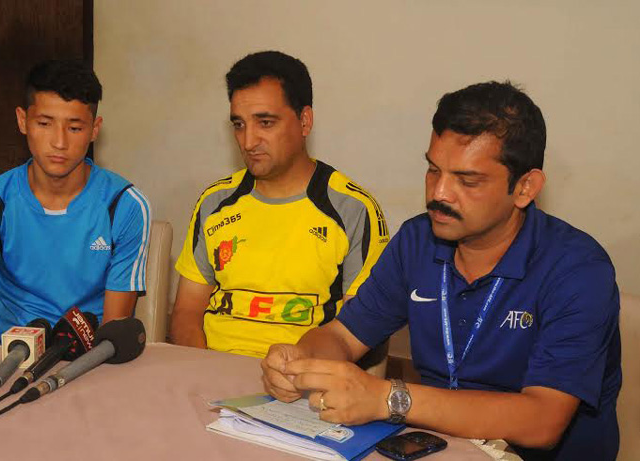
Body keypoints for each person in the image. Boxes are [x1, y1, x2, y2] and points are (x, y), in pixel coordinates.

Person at [261, 81, 621, 460]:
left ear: (525, 188)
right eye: (434, 170)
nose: (439, 194)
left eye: (467, 180)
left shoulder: (577, 269)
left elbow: (542, 421)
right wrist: (300, 361)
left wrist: (389, 398)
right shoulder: (418, 240)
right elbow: (343, 336)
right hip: (434, 448)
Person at [170, 51, 389, 358]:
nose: (248, 141)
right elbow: (186, 312)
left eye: (265, 122)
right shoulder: (214, 202)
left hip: (302, 383)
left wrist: (294, 379)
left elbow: (360, 330)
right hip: (210, 371)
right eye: (239, 124)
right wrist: (199, 371)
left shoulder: (352, 209)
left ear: (304, 121)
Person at [0, 60, 151, 348]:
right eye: (44, 124)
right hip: (8, 355)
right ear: (23, 121)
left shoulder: (125, 206)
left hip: (90, 358)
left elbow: (113, 328)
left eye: (74, 128)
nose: (59, 142)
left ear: (94, 130)